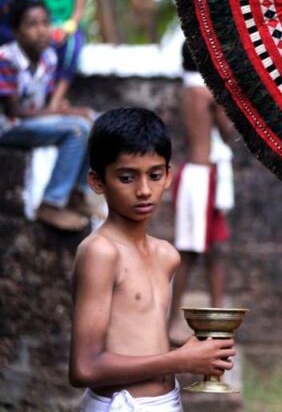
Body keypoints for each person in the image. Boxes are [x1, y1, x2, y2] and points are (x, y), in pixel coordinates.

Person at [69, 107, 236, 411]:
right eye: (127, 177)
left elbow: (139, 342)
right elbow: (84, 368)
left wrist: (197, 352)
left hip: (167, 401)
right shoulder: (101, 252)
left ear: (169, 176)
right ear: (97, 181)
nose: (144, 190)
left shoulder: (166, 255)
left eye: (154, 175)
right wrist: (179, 359)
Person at [0, 0, 93, 231]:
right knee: (76, 129)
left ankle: (77, 194)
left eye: (45, 22)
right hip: (9, 126)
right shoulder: (6, 59)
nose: (41, 30)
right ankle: (51, 203)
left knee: (96, 122)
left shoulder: (48, 57)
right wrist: (63, 113)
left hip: (33, 121)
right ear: (17, 31)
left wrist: (66, 109)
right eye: (32, 24)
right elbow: (14, 111)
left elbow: (46, 101)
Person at [168, 42, 236, 345]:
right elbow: (229, 134)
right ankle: (173, 323)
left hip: (201, 176)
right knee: (192, 253)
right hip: (201, 179)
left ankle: (216, 318)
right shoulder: (207, 93)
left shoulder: (188, 92)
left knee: (212, 251)